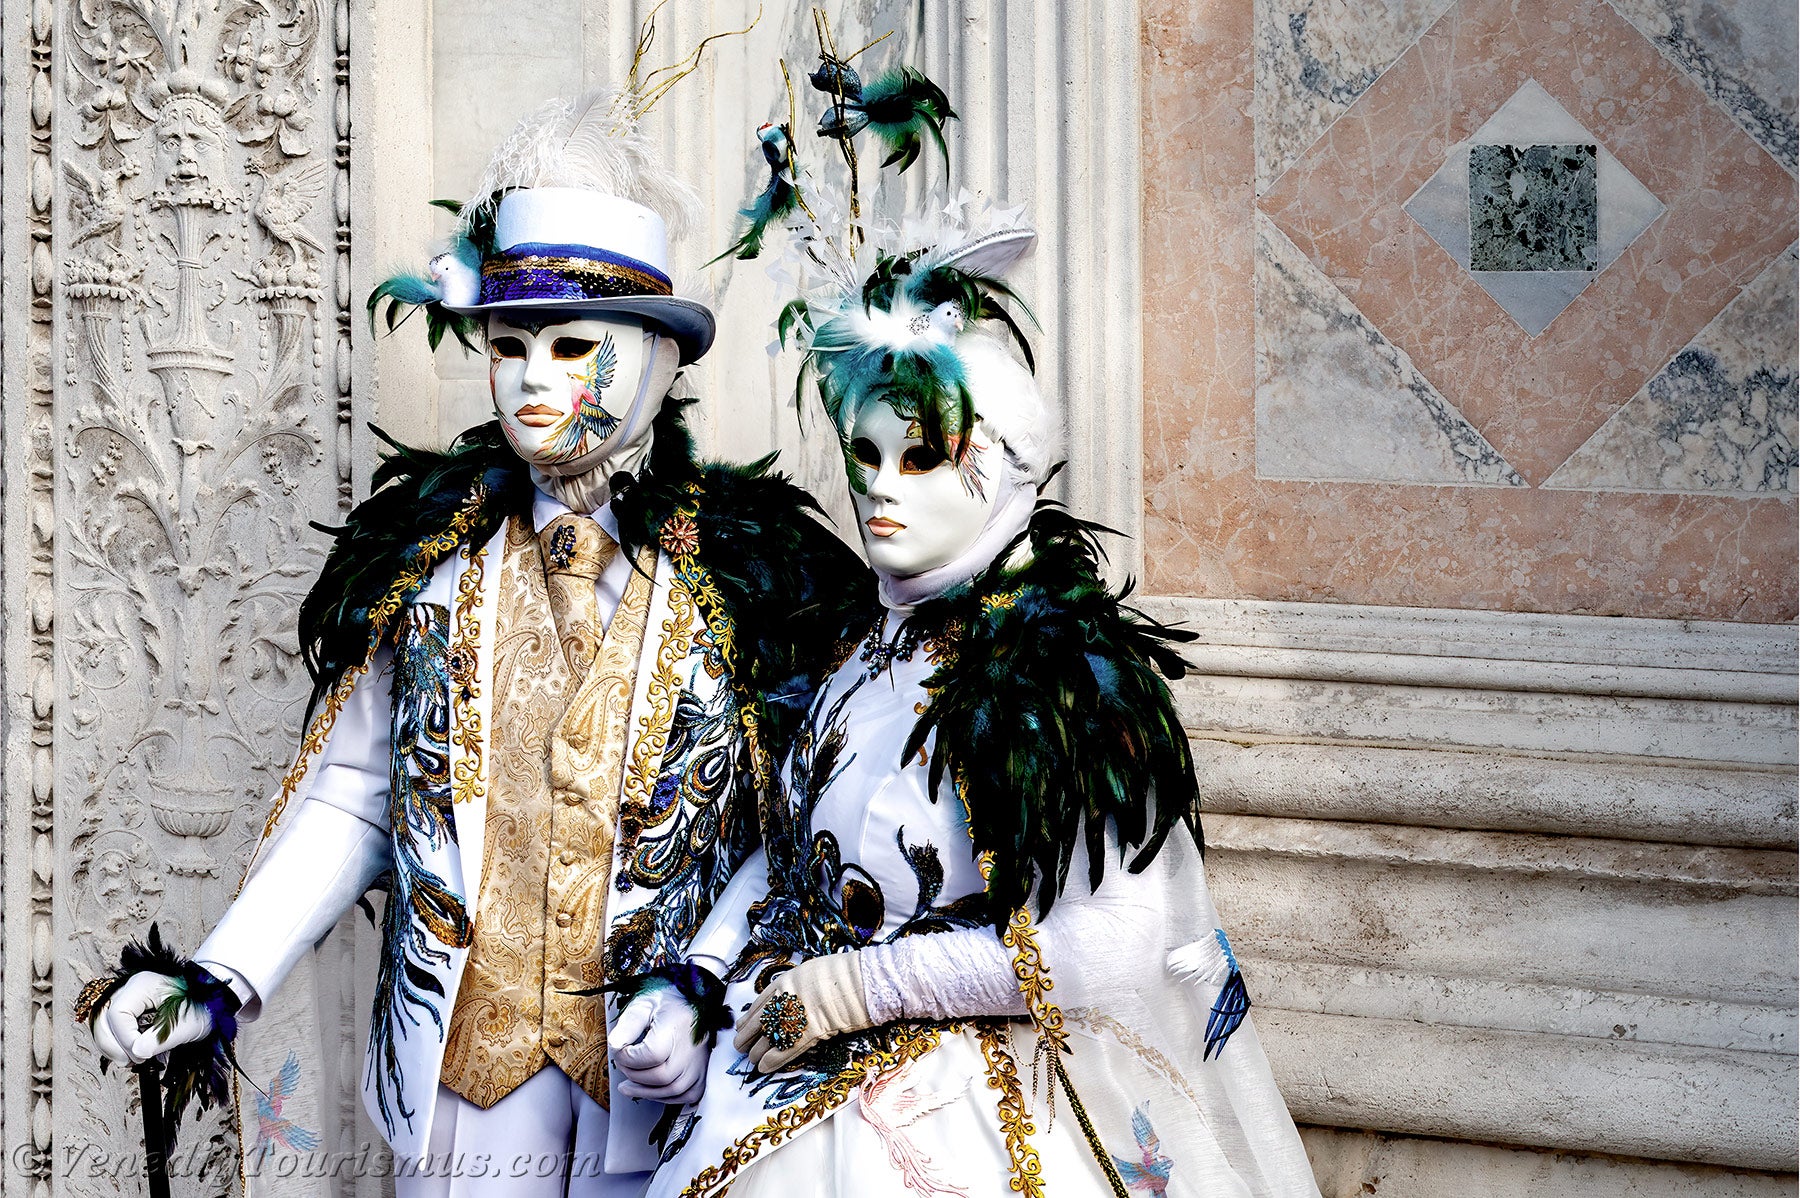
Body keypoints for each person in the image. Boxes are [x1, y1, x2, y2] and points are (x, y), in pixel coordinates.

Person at [73, 78, 871, 1197]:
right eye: (509, 343)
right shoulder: (431, 568)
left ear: (658, 358)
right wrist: (219, 975)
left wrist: (709, 987)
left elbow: (805, 826)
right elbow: (358, 794)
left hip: (670, 1086)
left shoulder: (754, 582)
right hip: (463, 1079)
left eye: (574, 344)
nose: (535, 378)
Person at [611, 48, 1323, 1197]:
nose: (880, 490)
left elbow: (1114, 942)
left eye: (923, 456)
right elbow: (790, 866)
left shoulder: (1055, 674)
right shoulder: (856, 650)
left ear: (1002, 467)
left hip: (970, 1120)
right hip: (778, 1096)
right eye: (866, 454)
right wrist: (695, 980)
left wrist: (857, 990)